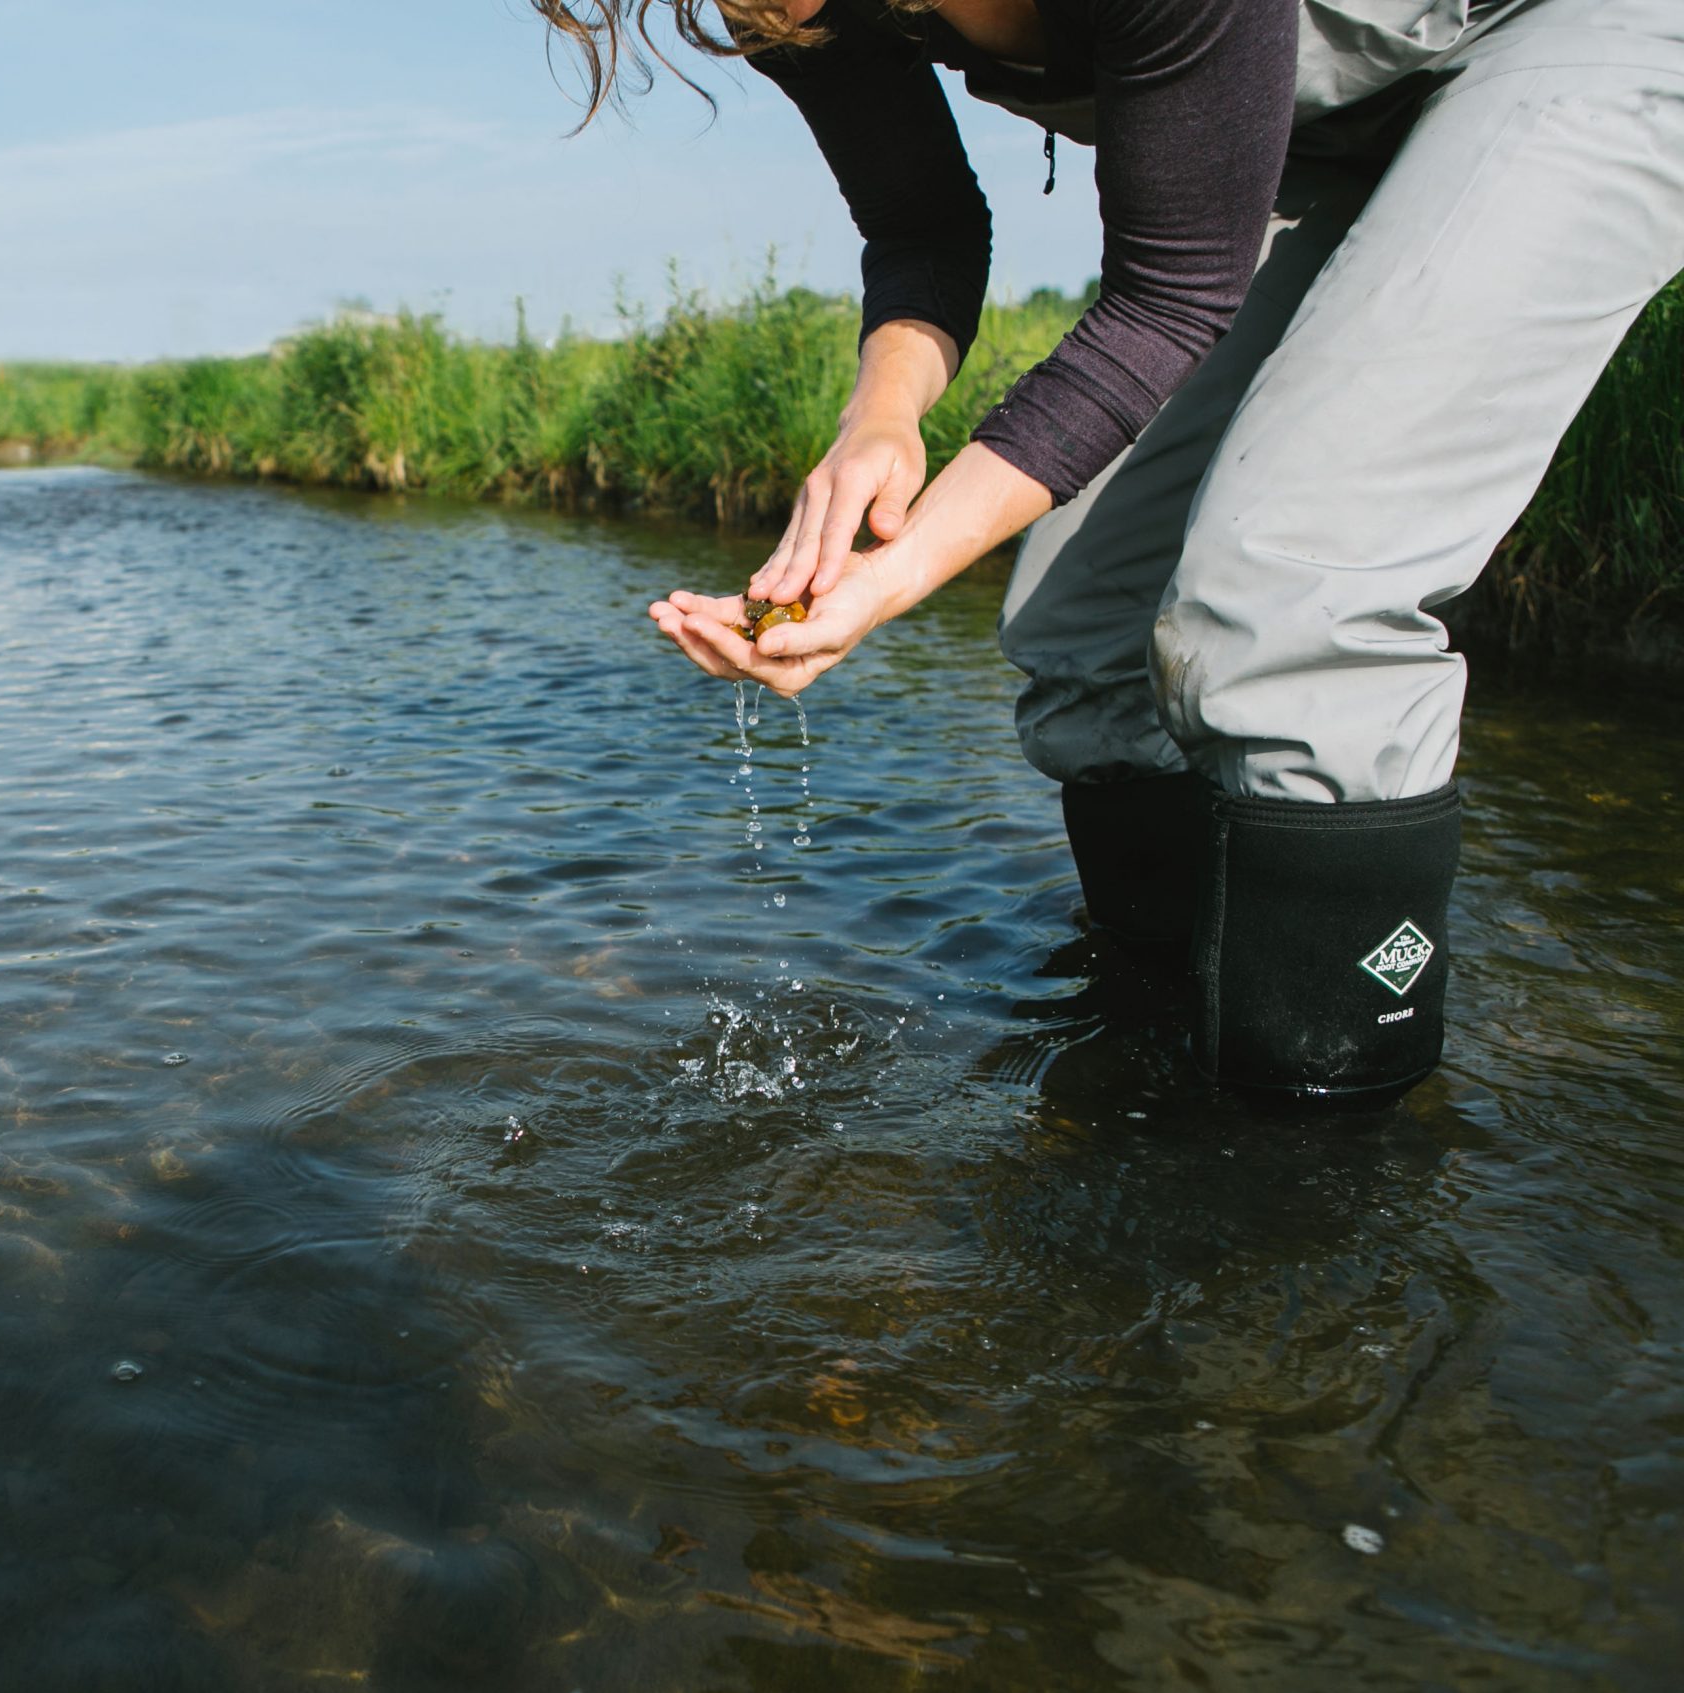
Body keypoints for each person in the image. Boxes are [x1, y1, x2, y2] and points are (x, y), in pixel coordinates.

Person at [534, 0, 1684, 1107]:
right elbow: (920, 224)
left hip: (1564, 36)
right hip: (1319, 138)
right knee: (1087, 626)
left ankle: (1322, 1163)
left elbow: (1170, 296)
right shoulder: (788, 4)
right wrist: (878, 421)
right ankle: (1162, 1061)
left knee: (1287, 600)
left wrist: (893, 577)